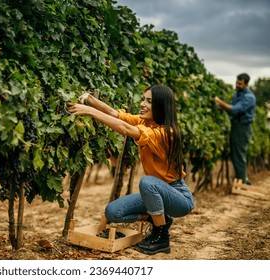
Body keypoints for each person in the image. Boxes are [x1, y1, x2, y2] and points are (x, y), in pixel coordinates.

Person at [67, 85, 195, 255]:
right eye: (143, 99)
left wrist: (90, 111)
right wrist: (90, 99)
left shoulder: (165, 133)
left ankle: (161, 236)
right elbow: (115, 114)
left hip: (178, 197)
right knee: (113, 212)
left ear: (161, 105)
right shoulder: (145, 122)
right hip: (155, 194)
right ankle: (157, 218)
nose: (142, 104)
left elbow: (125, 129)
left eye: (149, 101)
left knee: (147, 182)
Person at [214, 73, 256, 185]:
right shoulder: (237, 94)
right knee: (235, 155)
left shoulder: (249, 97)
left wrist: (219, 102)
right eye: (237, 82)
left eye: (240, 83)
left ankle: (242, 181)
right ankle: (241, 179)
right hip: (236, 126)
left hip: (243, 128)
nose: (237, 85)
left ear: (246, 84)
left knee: (239, 155)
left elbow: (234, 110)